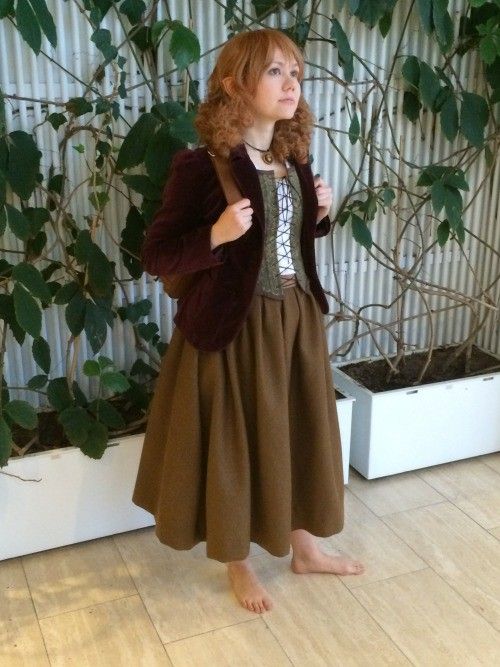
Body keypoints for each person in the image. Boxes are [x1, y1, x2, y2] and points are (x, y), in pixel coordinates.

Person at [132, 27, 365, 615]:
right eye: (275, 73)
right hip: (234, 329)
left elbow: (285, 240)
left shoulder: (293, 160)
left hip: (295, 320)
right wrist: (215, 234)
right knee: (240, 441)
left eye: (296, 72)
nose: (293, 84)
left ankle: (303, 545)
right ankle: (239, 561)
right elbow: (157, 254)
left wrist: (321, 215)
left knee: (297, 431)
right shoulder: (200, 167)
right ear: (236, 85)